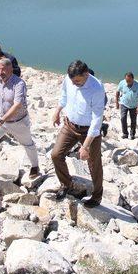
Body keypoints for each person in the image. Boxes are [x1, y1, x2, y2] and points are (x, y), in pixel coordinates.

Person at [51, 60, 106, 208]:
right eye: (73, 81)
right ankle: (67, 184)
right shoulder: (69, 79)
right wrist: (57, 111)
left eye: (78, 81)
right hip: (70, 125)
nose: (75, 84)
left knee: (94, 163)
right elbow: (64, 95)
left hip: (89, 131)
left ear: (86, 74)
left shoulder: (97, 88)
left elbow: (97, 119)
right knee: (56, 155)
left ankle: (96, 196)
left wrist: (86, 146)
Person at [0, 58, 39, 181]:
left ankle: (35, 166)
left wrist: (1, 120)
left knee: (28, 144)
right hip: (1, 118)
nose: (0, 72)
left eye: (3, 69)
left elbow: (17, 105)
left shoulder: (19, 83)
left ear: (10, 69)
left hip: (18, 121)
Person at [115, 72, 138, 139]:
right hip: (124, 103)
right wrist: (117, 102)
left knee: (133, 120)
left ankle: (132, 134)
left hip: (134, 105)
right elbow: (117, 91)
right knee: (123, 118)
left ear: (133, 79)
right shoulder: (122, 83)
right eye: (127, 81)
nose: (128, 82)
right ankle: (125, 133)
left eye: (129, 81)